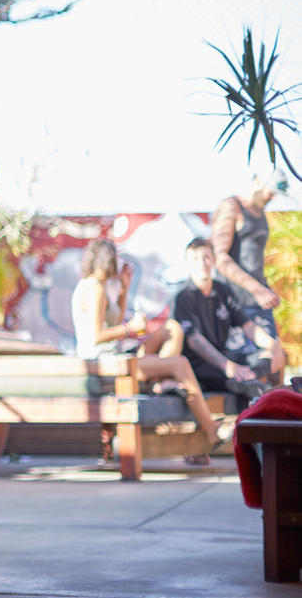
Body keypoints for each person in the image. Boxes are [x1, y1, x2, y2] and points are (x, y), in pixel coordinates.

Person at [70, 238, 223, 453]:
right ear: (109, 261)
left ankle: (161, 381)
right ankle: (210, 428)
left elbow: (113, 322)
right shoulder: (95, 290)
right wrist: (130, 328)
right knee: (179, 364)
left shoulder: (95, 287)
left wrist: (124, 290)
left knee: (172, 328)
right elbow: (96, 337)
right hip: (104, 363)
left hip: (114, 356)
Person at [173, 237, 279, 405]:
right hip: (199, 365)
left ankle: (250, 381)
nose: (202, 263)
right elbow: (195, 342)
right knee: (235, 378)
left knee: (271, 355)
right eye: (196, 259)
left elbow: (248, 326)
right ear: (187, 263)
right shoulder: (184, 296)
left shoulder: (222, 290)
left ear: (214, 260)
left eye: (206, 257)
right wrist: (228, 366)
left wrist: (272, 345)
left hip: (226, 358)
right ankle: (250, 386)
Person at [210, 171, 288, 382]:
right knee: (248, 365)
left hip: (257, 301)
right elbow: (220, 257)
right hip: (236, 303)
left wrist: (266, 289)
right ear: (257, 181)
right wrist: (257, 288)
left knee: (276, 359)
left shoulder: (260, 211)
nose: (272, 198)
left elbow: (253, 261)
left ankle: (275, 409)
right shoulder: (231, 207)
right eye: (270, 192)